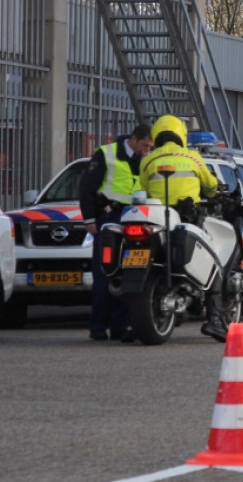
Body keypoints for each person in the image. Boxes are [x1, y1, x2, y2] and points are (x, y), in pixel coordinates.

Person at [139, 115, 224, 341]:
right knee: (212, 262)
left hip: (156, 220)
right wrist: (214, 192)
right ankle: (215, 320)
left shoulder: (148, 160)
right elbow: (210, 185)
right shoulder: (193, 157)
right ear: (181, 135)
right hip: (187, 219)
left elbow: (142, 189)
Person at [79, 123, 154, 342]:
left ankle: (120, 327)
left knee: (130, 270)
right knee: (104, 272)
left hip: (135, 217)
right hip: (109, 217)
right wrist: (90, 220)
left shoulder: (146, 159)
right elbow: (87, 188)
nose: (147, 151)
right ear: (133, 138)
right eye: (144, 145)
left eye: (150, 147)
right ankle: (98, 326)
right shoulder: (106, 154)